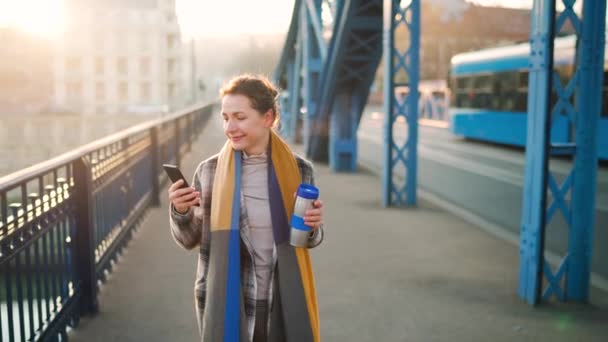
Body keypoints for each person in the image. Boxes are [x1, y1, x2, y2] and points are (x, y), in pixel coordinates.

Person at [168, 74, 324, 342]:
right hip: (229, 303)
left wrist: (313, 225)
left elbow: (308, 240)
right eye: (226, 118)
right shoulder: (209, 172)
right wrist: (181, 212)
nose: (230, 127)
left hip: (282, 300)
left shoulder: (300, 171)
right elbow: (189, 239)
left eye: (240, 117)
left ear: (268, 118)